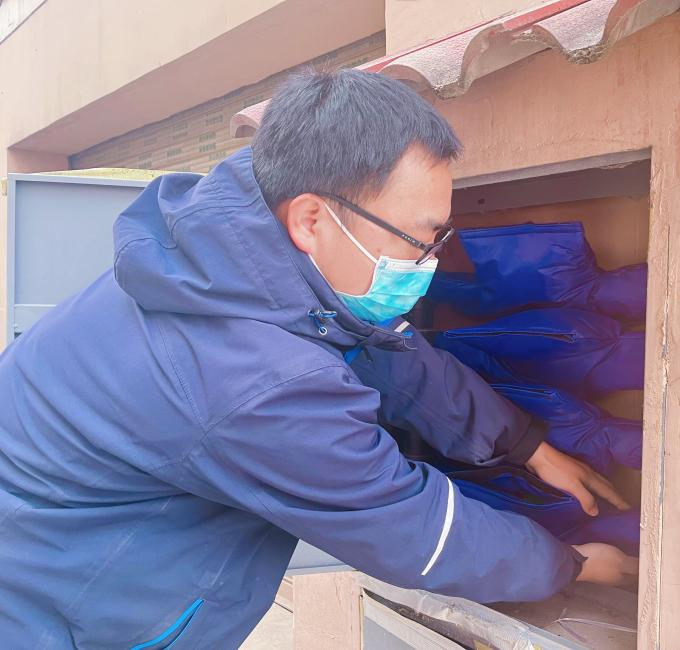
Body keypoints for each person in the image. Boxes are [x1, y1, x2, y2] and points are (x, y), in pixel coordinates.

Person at [0, 69, 636, 649]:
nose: (430, 262)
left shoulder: (233, 251)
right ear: (312, 219)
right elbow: (411, 530)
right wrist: (570, 563)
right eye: (419, 240)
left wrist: (525, 445)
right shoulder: (254, 378)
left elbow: (386, 354)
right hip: (57, 609)